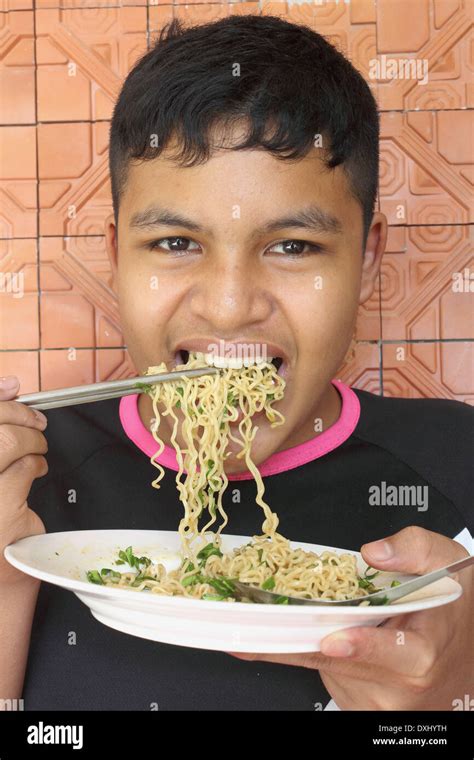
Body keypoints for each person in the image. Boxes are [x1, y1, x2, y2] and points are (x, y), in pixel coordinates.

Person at [0, 15, 472, 711]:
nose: (227, 308)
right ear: (115, 252)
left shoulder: (456, 461)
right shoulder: (30, 476)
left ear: (368, 258)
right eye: (172, 242)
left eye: (292, 247)